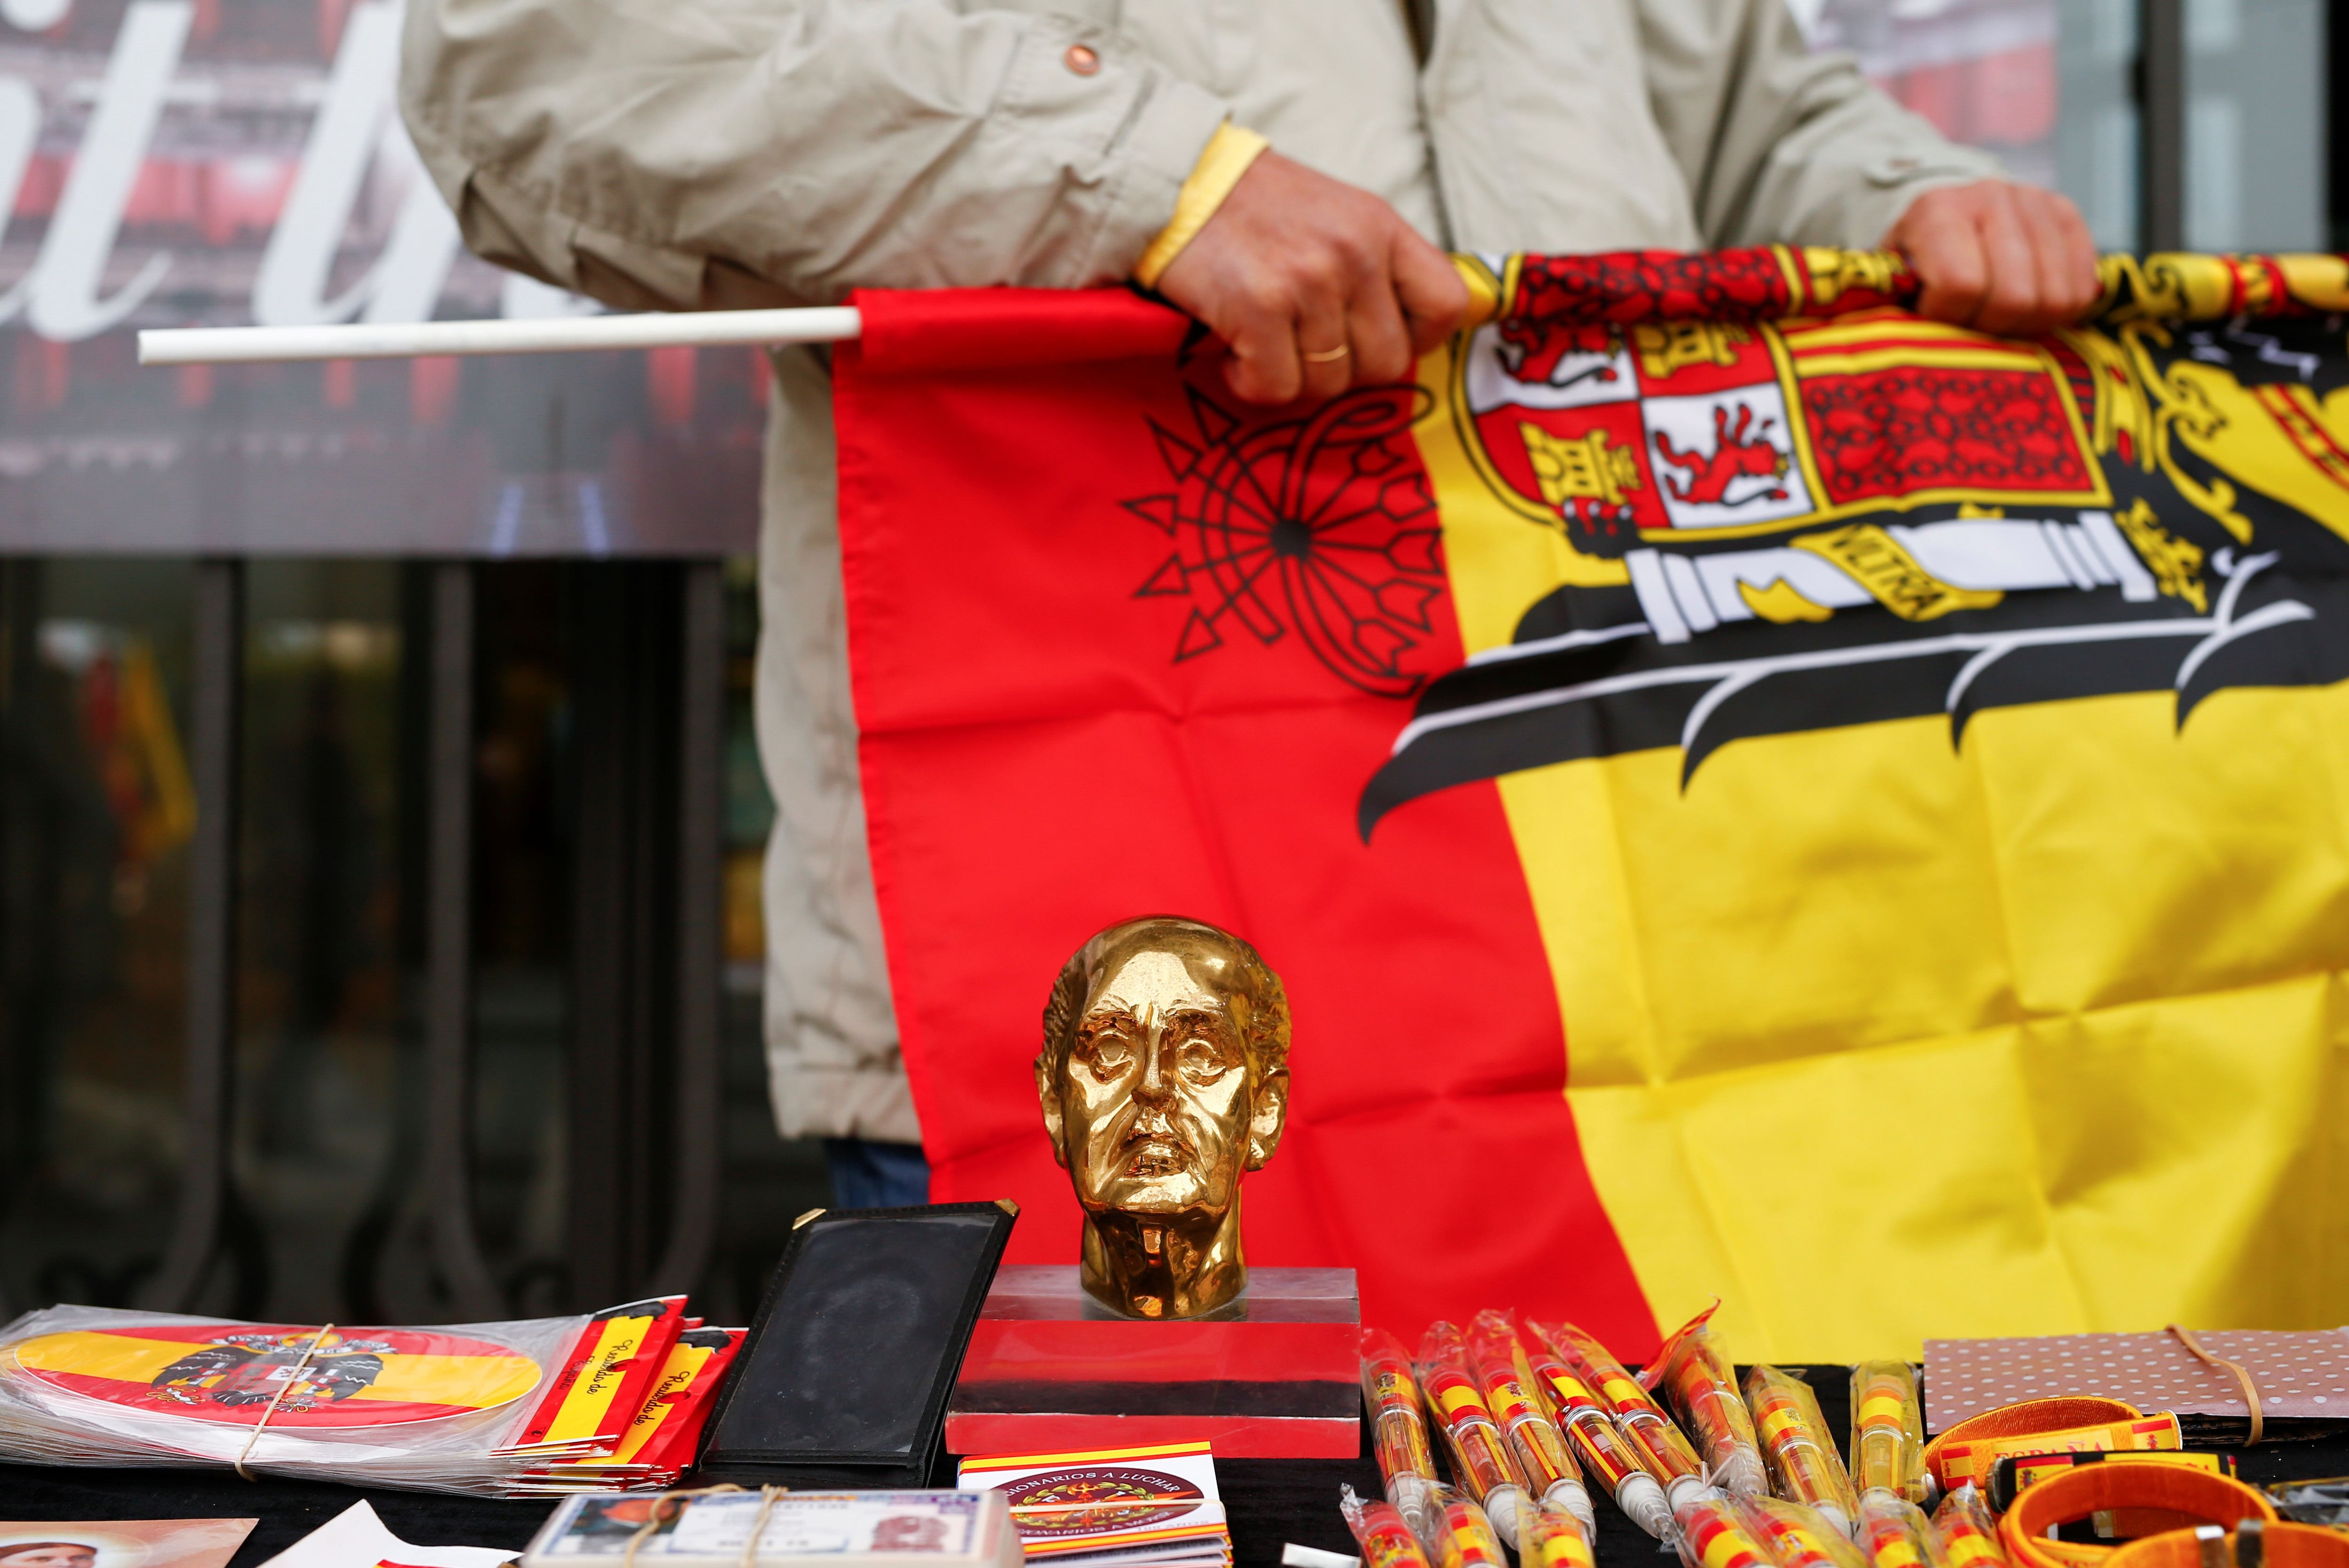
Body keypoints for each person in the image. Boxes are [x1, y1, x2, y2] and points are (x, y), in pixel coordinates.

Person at [399, 0, 2100, 1204]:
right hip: (1108, 981)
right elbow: (534, 59)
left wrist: (1892, 199)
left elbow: (1736, 108)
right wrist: (1146, 173)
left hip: (1595, 961)